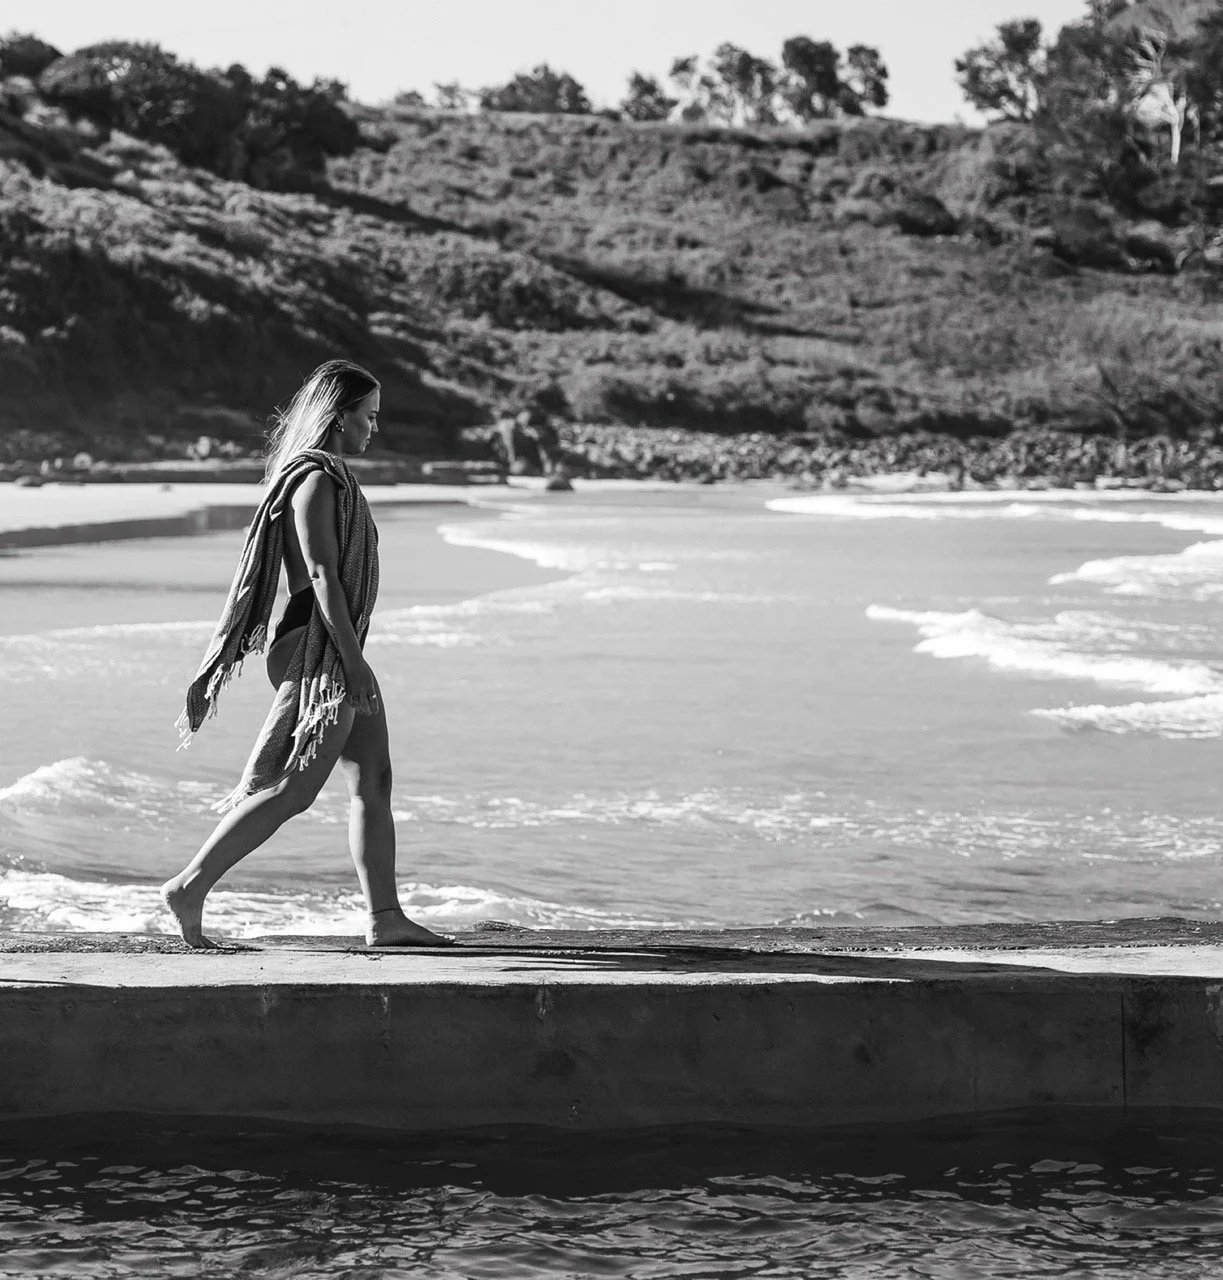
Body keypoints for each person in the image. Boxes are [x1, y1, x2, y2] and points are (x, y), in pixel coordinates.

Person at [161, 359, 451, 950]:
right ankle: (189, 887)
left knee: (374, 777)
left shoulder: (333, 474)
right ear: (338, 416)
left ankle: (385, 918)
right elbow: (321, 576)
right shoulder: (316, 478)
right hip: (313, 645)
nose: (374, 427)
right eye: (368, 416)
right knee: (294, 788)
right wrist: (353, 660)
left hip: (332, 644)